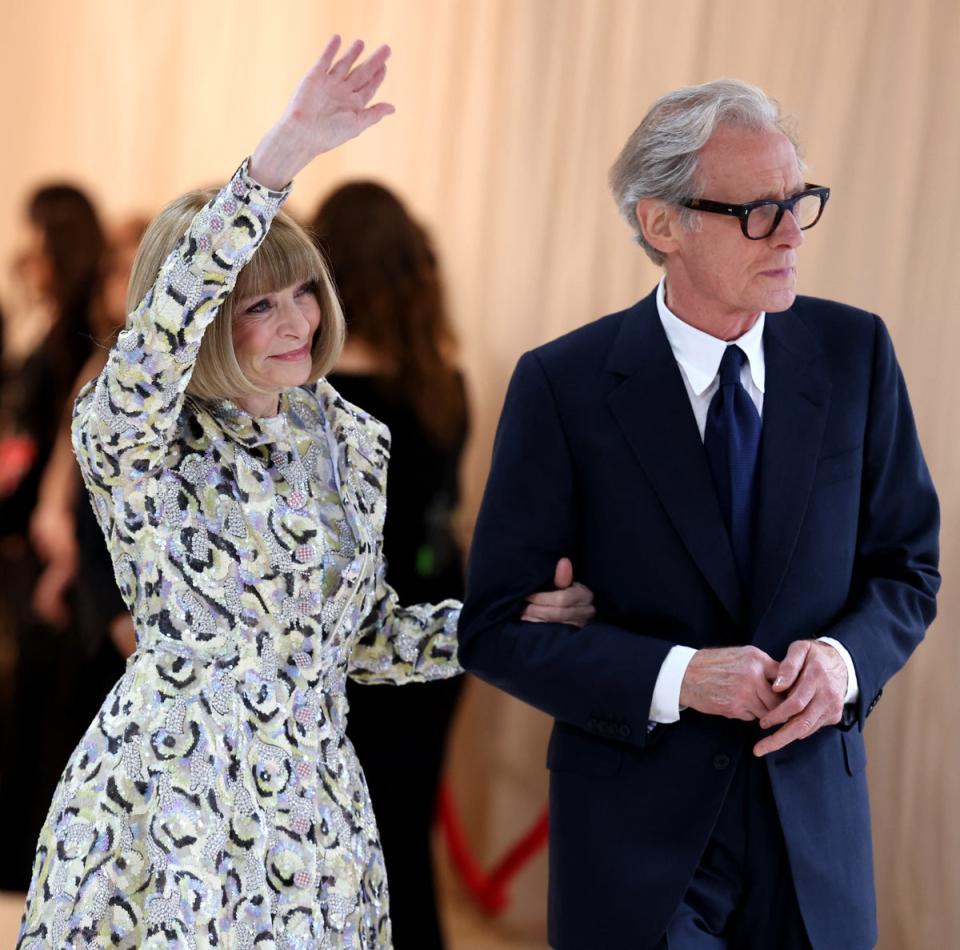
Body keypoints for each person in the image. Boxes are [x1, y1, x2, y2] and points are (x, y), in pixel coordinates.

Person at [16, 37, 592, 948]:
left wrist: (503, 622)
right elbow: (155, 336)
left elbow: (361, 636)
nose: (298, 321)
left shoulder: (349, 441)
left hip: (315, 813)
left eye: (303, 294)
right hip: (170, 809)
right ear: (205, 321)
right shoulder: (132, 435)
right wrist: (280, 157)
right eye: (259, 305)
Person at [457, 79, 940, 950]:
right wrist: (680, 676)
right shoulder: (561, 386)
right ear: (661, 224)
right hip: (636, 849)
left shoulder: (855, 352)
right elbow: (493, 629)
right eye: (759, 211)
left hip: (814, 839)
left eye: (798, 201)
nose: (792, 233)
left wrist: (841, 662)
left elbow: (908, 568)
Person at [313, 182, 467, 949]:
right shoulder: (442, 386)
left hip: (350, 631)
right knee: (403, 831)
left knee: (342, 839)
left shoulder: (316, 399)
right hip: (438, 613)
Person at [0, 182, 106, 891]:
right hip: (32, 538)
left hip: (54, 553)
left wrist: (59, 554)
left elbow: (72, 462)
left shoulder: (82, 336)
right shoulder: (52, 321)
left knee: (42, 710)